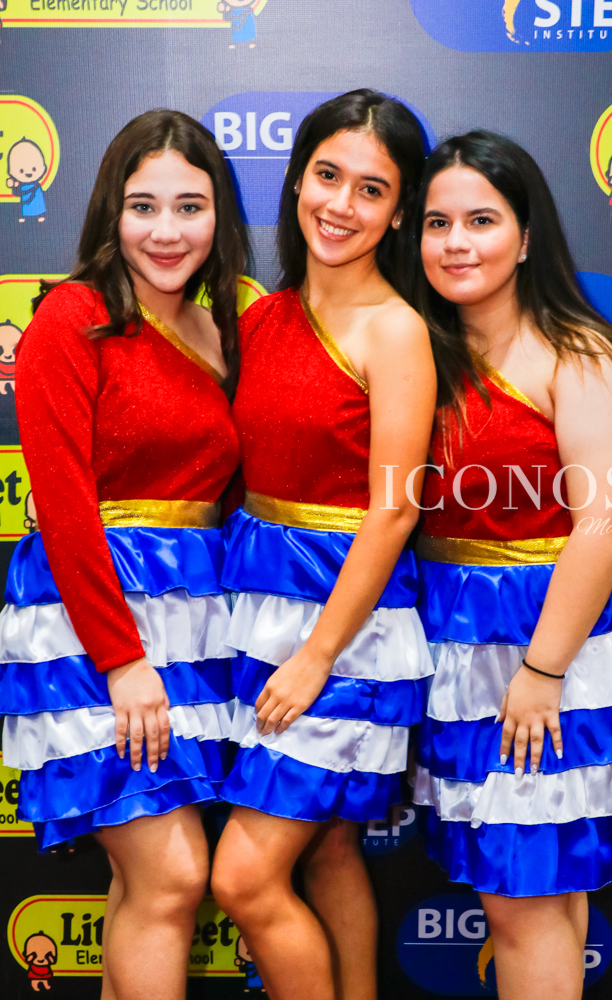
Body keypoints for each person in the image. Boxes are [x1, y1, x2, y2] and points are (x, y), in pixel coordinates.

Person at [410, 130, 612, 1000]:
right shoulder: (424, 353)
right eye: (437, 223)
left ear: (525, 237)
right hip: (457, 647)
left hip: (548, 648)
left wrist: (541, 670)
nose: (456, 242)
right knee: (536, 896)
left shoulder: (578, 352)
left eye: (481, 220)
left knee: (525, 898)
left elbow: (605, 520)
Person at [0, 109, 248, 1000]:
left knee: (144, 886)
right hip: (95, 626)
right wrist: (121, 658)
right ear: (112, 210)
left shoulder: (221, 329)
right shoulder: (72, 315)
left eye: (189, 206)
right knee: (171, 878)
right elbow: (62, 505)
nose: (166, 231)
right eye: (144, 206)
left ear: (219, 216)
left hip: (195, 625)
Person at [211, 89, 436, 1000]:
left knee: (242, 877)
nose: (340, 205)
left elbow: (393, 513)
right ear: (297, 180)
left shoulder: (396, 329)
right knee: (332, 846)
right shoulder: (261, 317)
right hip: (256, 609)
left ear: (399, 211)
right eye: (326, 176)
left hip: (346, 631)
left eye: (370, 189)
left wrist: (316, 656)